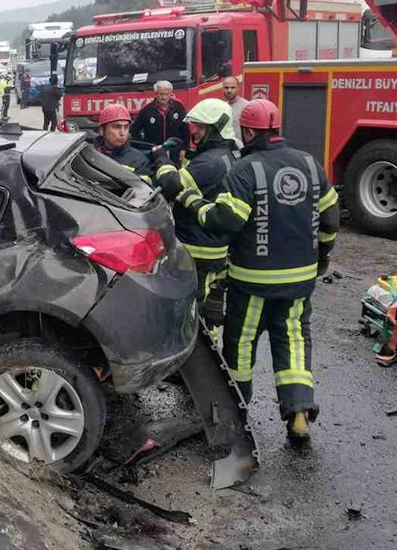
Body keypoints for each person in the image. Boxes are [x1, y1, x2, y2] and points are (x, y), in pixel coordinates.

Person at [180, 99, 339, 444]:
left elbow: (226, 222)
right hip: (299, 281)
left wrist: (194, 203)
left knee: (241, 345)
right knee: (293, 342)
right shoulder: (310, 164)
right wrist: (321, 256)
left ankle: (234, 416)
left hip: (252, 280)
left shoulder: (244, 170)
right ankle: (298, 414)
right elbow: (330, 220)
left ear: (249, 131)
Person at [153, 98, 239, 301]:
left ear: (216, 128)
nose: (195, 132)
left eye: (201, 127)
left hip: (198, 249)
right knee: (208, 304)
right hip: (210, 247)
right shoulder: (224, 155)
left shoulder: (210, 162)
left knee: (195, 307)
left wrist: (162, 159)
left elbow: (171, 184)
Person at [132, 80, 189, 161]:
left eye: (167, 94)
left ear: (171, 94)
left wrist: (184, 148)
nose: (164, 97)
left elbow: (185, 129)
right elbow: (134, 130)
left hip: (175, 152)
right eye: (161, 94)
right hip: (154, 154)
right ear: (155, 94)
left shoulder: (179, 107)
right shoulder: (146, 110)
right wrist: (144, 148)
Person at [92, 104, 148, 175]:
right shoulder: (89, 155)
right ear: (102, 130)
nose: (122, 133)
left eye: (126, 127)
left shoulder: (139, 160)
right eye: (116, 127)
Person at [222, 76, 249, 148]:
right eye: (226, 88)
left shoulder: (247, 107)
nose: (229, 90)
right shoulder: (222, 107)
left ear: (238, 88)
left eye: (233, 87)